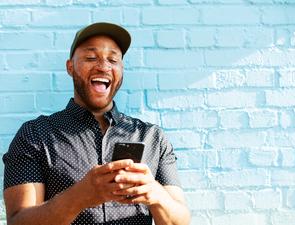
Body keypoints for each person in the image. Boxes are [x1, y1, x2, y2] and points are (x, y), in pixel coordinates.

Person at [2, 22, 191, 225]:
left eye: (113, 59)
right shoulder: (35, 135)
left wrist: (156, 194)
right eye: (91, 57)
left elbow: (179, 221)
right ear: (70, 67)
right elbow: (18, 221)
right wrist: (79, 197)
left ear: (121, 69)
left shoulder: (152, 138)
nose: (103, 66)